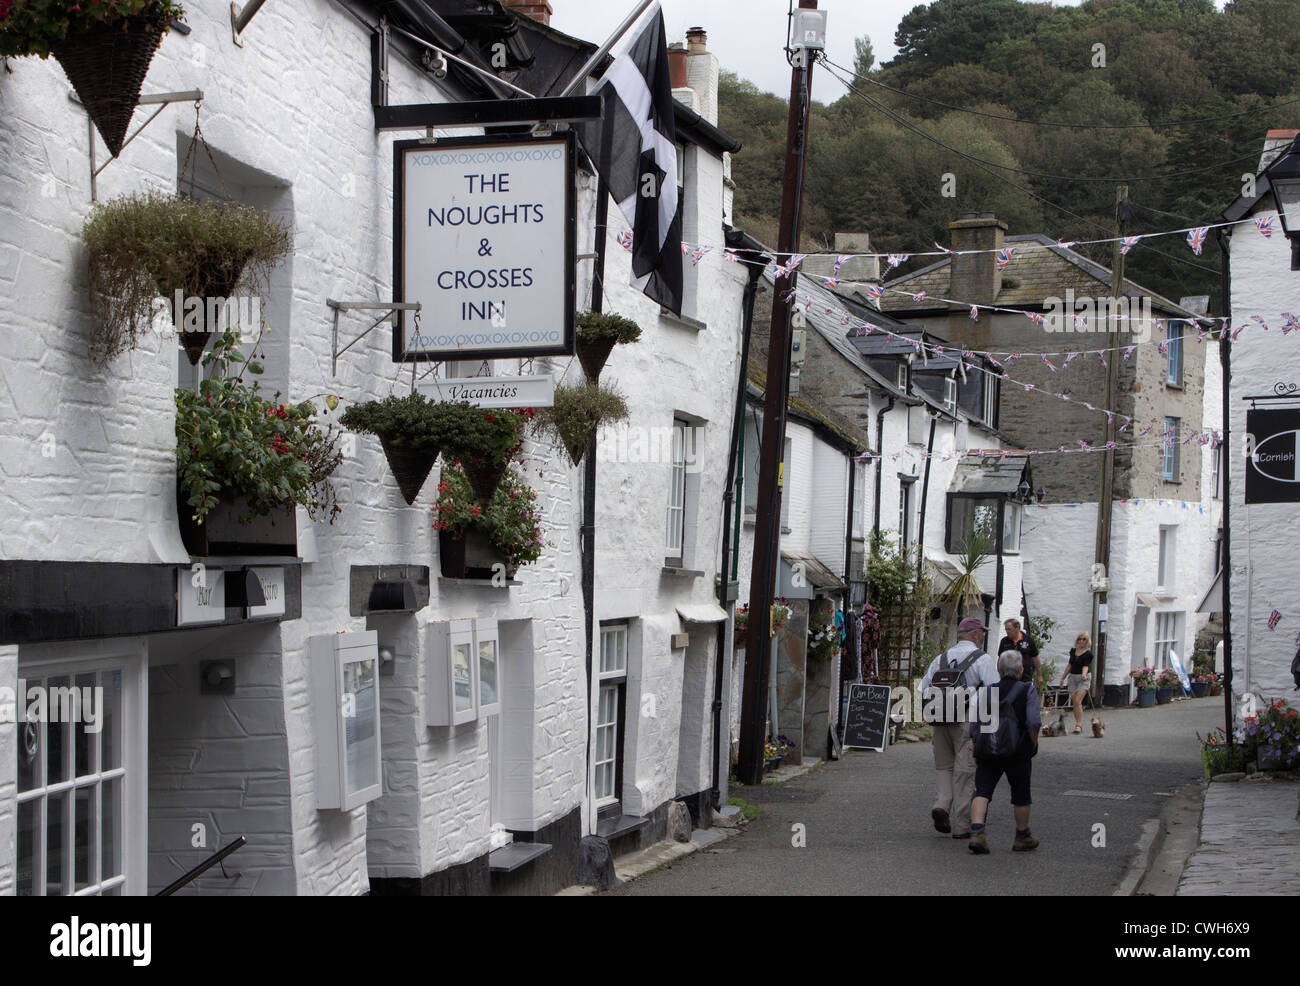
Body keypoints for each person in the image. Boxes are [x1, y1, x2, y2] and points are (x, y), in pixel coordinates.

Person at [920, 617, 999, 840]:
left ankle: (942, 804)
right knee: (964, 771)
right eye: (981, 632)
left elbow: (924, 687)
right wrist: (990, 725)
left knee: (944, 767)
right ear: (974, 634)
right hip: (967, 719)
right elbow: (993, 691)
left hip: (940, 719)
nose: (983, 636)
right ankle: (962, 825)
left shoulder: (940, 659)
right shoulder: (982, 659)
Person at [969, 650, 1041, 854]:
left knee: (982, 791)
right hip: (1017, 751)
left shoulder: (987, 692)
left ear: (998, 670)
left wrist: (975, 746)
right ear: (1020, 669)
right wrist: (1032, 743)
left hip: (988, 749)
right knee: (1021, 794)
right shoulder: (1027, 690)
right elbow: (1033, 721)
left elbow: (976, 723)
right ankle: (1022, 836)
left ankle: (977, 833)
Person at [1057, 631, 1094, 734]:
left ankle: (1078, 725)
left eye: (1084, 639)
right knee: (1075, 703)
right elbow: (1069, 665)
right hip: (1072, 677)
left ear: (1087, 641)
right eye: (1080, 639)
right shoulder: (1073, 651)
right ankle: (1078, 722)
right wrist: (1062, 678)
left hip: (1084, 678)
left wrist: (1084, 675)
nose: (1081, 641)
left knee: (1078, 700)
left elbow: (1086, 666)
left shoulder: (1088, 654)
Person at [998, 618, 1040, 688]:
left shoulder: (1028, 640)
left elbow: (1035, 658)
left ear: (1017, 627)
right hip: (1008, 679)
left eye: (1009, 629)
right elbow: (1000, 659)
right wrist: (1000, 674)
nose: (1007, 632)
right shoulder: (1004, 641)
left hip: (1025, 678)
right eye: (1006, 629)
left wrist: (1039, 675)